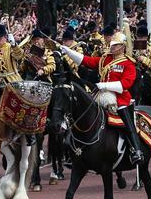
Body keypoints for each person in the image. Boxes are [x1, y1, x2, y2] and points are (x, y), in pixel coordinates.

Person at [60, 32, 143, 164]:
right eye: (112, 45)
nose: (112, 47)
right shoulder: (106, 59)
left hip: (119, 97)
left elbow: (126, 84)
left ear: (122, 47)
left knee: (127, 121)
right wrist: (68, 51)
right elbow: (86, 60)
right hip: (101, 94)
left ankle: (135, 149)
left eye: (115, 45)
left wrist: (103, 85)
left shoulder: (128, 64)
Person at [0, 23, 24, 90]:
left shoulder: (10, 47)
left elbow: (19, 56)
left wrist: (14, 45)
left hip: (11, 80)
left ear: (5, 37)